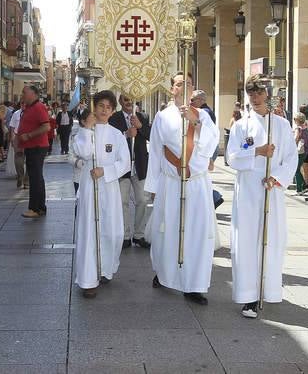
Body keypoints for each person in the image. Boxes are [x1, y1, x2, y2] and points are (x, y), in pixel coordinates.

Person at [145, 72, 219, 305]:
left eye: (188, 83)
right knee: (167, 230)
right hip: (170, 182)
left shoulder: (203, 115)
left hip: (196, 183)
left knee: (197, 233)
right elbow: (155, 151)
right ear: (172, 89)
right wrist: (153, 185)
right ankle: (164, 274)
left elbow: (211, 144)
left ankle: (194, 285)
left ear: (193, 88)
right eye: (179, 84)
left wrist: (195, 122)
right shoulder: (162, 116)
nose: (183, 87)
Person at [227, 75, 298, 318]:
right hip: (248, 190)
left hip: (271, 189)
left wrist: (276, 178)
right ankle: (248, 295)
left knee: (271, 239)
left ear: (267, 94)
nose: (255, 97)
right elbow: (232, 157)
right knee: (247, 241)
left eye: (259, 92)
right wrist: (257, 151)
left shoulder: (281, 125)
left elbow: (291, 157)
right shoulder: (240, 126)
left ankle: (269, 290)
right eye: (251, 93)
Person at [72, 90, 130, 298]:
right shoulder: (85, 130)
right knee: (90, 230)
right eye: (100, 106)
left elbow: (125, 163)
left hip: (109, 186)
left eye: (108, 107)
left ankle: (105, 268)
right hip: (90, 186)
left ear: (113, 111)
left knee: (112, 232)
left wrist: (105, 171)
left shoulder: (117, 134)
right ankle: (88, 279)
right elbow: (84, 153)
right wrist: (87, 129)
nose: (104, 110)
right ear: (94, 108)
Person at [109, 93, 152, 249]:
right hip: (122, 168)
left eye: (132, 99)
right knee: (122, 202)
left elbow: (152, 136)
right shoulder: (114, 119)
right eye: (126, 99)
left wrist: (140, 127)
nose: (129, 102)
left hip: (139, 165)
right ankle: (125, 235)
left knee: (142, 200)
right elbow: (111, 141)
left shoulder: (143, 117)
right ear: (120, 101)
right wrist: (126, 134)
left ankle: (139, 235)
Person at [19, 86, 52, 218]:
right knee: (36, 177)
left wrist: (29, 135)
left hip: (37, 147)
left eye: (24, 92)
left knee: (35, 178)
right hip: (32, 147)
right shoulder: (29, 107)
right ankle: (39, 207)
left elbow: (46, 126)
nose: (22, 94)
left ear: (33, 94)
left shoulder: (39, 107)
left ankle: (35, 208)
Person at [71, 109, 93, 193]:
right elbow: (70, 156)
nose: (94, 121)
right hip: (79, 176)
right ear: (83, 121)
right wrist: (78, 162)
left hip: (94, 176)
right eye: (91, 118)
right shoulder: (76, 137)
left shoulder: (98, 135)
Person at [293, 112, 308, 194]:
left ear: (297, 120)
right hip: (305, 150)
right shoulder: (305, 127)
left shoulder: (298, 128)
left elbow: (296, 138)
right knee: (298, 168)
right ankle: (303, 187)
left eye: (294, 119)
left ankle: (300, 189)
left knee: (296, 170)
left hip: (299, 150)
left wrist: (292, 146)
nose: (294, 120)